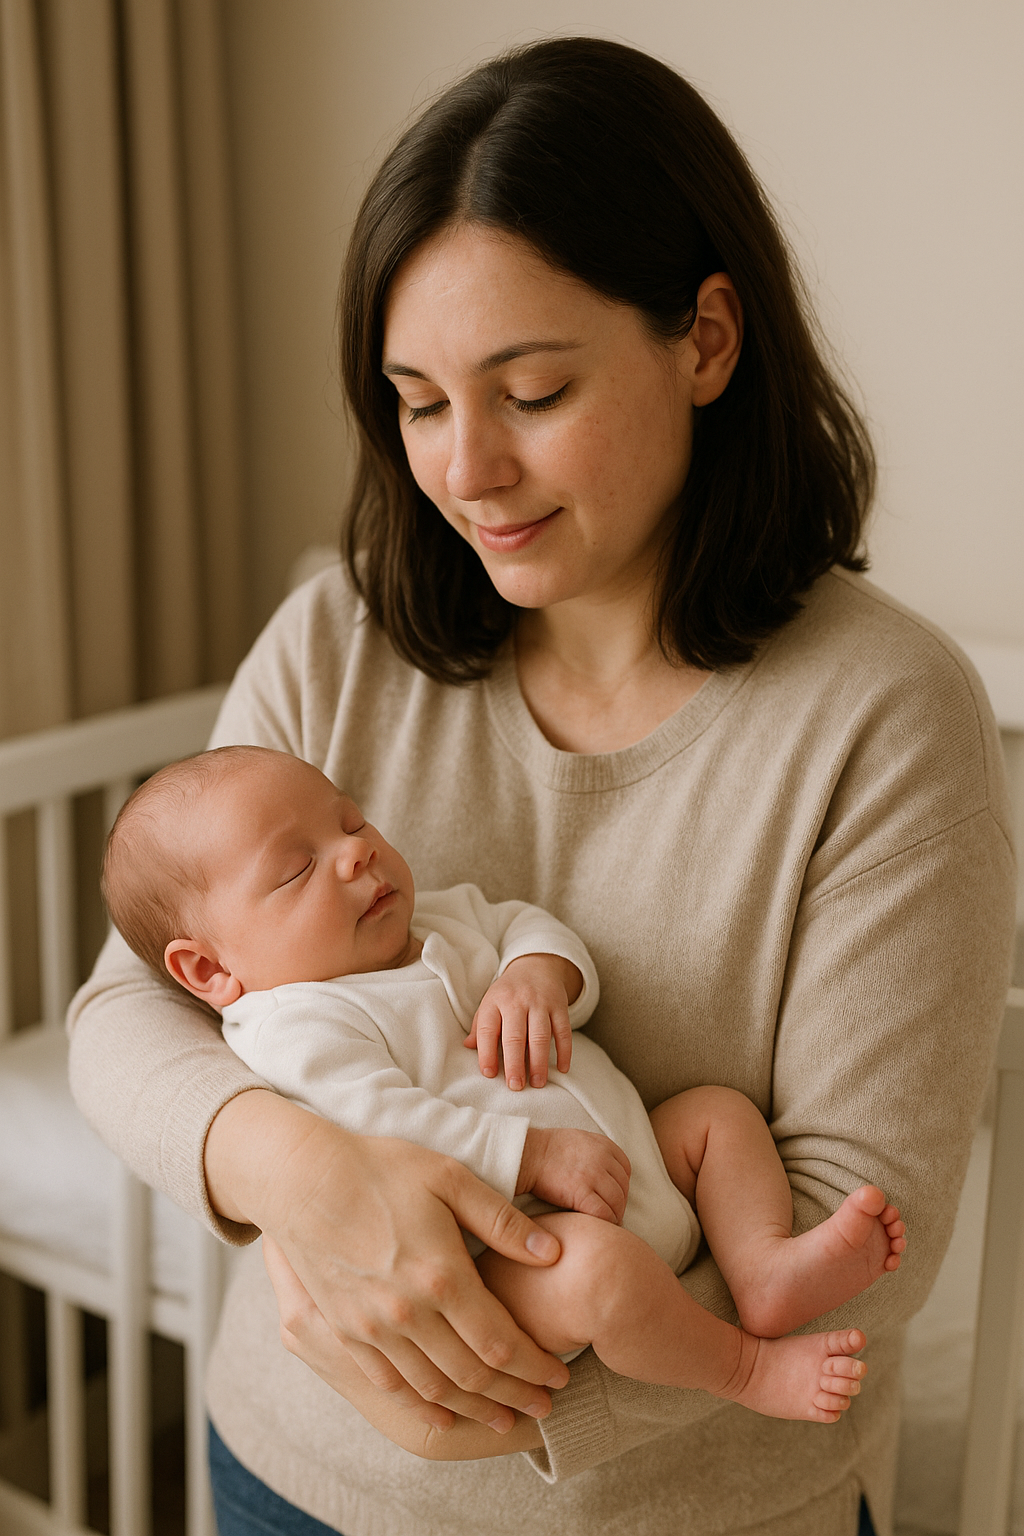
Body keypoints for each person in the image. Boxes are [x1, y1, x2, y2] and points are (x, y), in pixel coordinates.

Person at [67, 35, 1016, 1536]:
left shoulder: (886, 715)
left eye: (531, 391)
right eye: (419, 401)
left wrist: (435, 1370)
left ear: (707, 340)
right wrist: (292, 1166)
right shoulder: (344, 630)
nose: (467, 473)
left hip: (700, 1510)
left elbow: (863, 1225)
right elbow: (128, 1007)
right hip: (293, 1477)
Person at [101, 743, 907, 1421]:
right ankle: (744, 1367)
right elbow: (386, 1129)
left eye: (351, 819)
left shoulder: (440, 918)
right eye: (295, 869)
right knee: (602, 1273)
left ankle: (762, 1267)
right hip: (516, 1247)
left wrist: (536, 974)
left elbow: (525, 922)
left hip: (634, 1161)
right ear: (208, 967)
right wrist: (531, 1157)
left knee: (718, 1118)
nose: (357, 851)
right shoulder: (294, 1025)